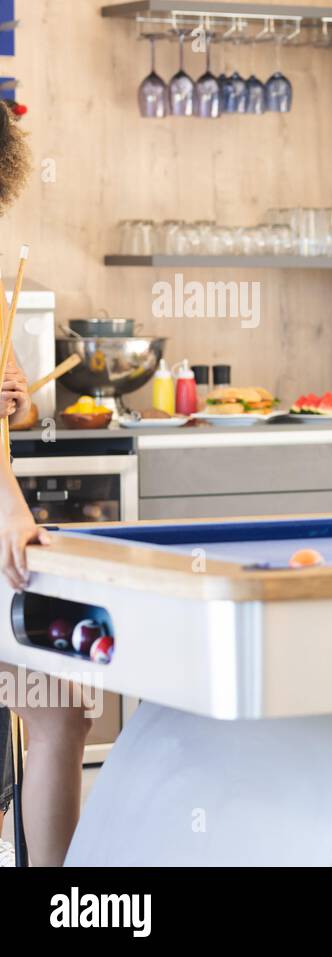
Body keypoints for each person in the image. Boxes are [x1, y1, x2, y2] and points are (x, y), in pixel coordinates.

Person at [0, 100, 95, 867]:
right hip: (7, 526)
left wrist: (15, 396)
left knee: (60, 713)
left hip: (8, 530)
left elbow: (11, 415)